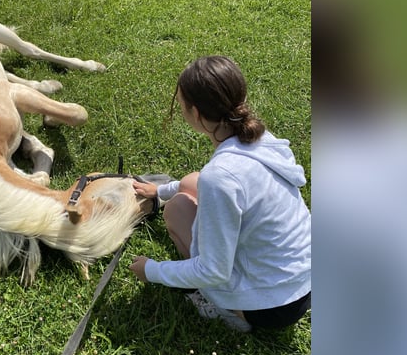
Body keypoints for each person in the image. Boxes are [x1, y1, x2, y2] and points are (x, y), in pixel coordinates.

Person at [128, 55, 311, 332]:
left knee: (177, 211)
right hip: (305, 282)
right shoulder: (262, 141)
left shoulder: (220, 177)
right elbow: (202, 183)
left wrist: (152, 270)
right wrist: (161, 189)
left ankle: (228, 311)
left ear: (197, 114)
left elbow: (213, 270)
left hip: (271, 308)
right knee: (190, 184)